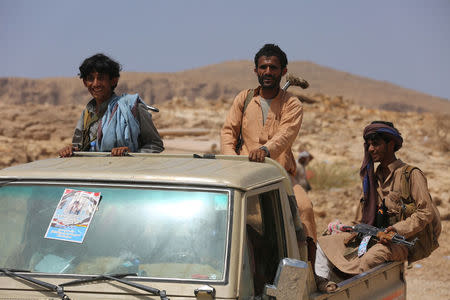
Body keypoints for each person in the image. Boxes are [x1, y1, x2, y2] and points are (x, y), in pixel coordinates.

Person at [314, 121, 441, 293]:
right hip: (372, 235)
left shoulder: (411, 175)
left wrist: (395, 230)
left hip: (403, 242)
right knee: (325, 243)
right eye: (369, 145)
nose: (371, 149)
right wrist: (349, 230)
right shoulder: (372, 178)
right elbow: (363, 216)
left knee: (371, 258)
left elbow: (425, 212)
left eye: (376, 144)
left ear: (391, 144)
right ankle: (324, 285)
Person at [220, 43, 317, 259]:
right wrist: (232, 162)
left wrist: (265, 150)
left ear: (283, 71)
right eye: (263, 67)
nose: (267, 72)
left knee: (304, 208)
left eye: (273, 68)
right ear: (255, 70)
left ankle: (311, 271)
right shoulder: (244, 99)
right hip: (243, 172)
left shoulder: (292, 104)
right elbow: (228, 132)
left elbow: (285, 135)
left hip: (279, 172)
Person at [59, 53, 164, 157]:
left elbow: (155, 145)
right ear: (85, 82)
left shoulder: (132, 107)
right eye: (91, 78)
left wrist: (131, 154)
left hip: (126, 172)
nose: (95, 84)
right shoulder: (87, 113)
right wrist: (70, 150)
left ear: (113, 80)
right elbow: (79, 148)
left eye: (101, 78)